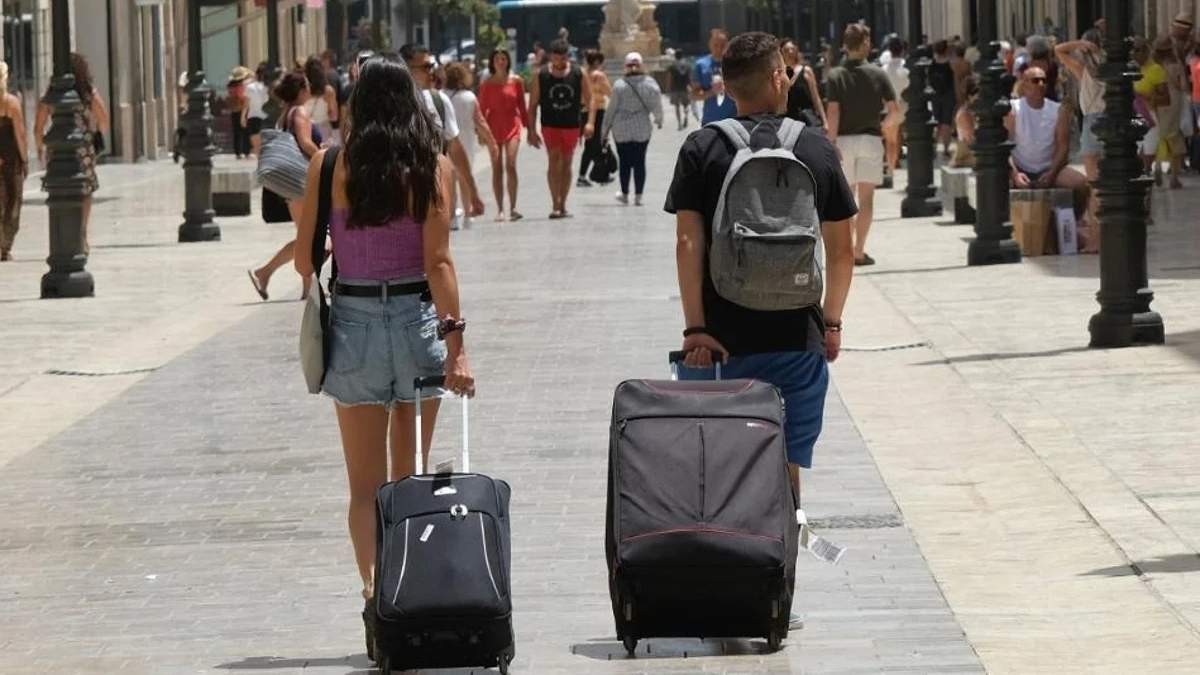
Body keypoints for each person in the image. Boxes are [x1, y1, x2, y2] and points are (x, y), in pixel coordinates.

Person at [664, 31, 856, 629]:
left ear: (725, 86)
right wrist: (830, 320)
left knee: (721, 465)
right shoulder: (817, 150)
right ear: (780, 78)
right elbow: (843, 249)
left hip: (722, 342)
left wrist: (696, 327)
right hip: (796, 338)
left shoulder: (702, 147)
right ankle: (779, 588)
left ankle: (727, 584)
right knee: (784, 470)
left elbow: (687, 242)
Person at [292, 55, 474, 663]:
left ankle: (374, 595)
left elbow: (302, 260)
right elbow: (439, 264)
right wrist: (459, 347)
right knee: (412, 476)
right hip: (418, 321)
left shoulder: (331, 164)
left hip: (355, 325)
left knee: (363, 485)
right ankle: (409, 595)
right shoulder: (431, 167)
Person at [825, 23, 901, 267]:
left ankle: (846, 250)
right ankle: (859, 250)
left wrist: (831, 142)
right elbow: (894, 111)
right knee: (866, 199)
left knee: (846, 200)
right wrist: (883, 128)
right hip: (870, 139)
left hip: (843, 141)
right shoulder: (877, 73)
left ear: (845, 45)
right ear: (865, 43)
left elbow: (833, 112)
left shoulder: (835, 75)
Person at [248, 72, 321, 300]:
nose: (310, 88)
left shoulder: (285, 113)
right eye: (307, 85)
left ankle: (305, 288)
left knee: (306, 236)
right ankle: (265, 272)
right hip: (302, 181)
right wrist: (326, 156)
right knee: (308, 237)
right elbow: (305, 143)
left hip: (294, 182)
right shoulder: (299, 111)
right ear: (301, 90)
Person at [1007, 66, 1095, 241]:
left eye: (1043, 80)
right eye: (1035, 80)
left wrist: (1052, 172)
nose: (1040, 84)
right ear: (1024, 85)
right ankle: (1009, 228)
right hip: (1020, 167)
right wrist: (1015, 174)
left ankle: (1072, 222)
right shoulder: (1013, 109)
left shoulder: (1058, 110)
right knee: (995, 183)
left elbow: (1063, 146)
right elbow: (1006, 146)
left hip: (1049, 168)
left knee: (1081, 184)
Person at [400, 44, 486, 220]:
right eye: (426, 67)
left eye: (432, 65)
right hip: (399, 200)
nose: (432, 72)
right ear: (405, 69)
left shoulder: (438, 100)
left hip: (434, 194)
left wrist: (473, 191)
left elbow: (455, 148)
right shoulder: (388, 105)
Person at [35, 52, 108, 253]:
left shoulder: (52, 95)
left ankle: (61, 234)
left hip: (57, 149)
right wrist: (95, 135)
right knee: (85, 189)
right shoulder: (87, 93)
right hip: (83, 147)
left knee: (59, 187)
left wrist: (41, 148)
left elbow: (38, 127)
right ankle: (82, 233)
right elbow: (104, 118)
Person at [527, 39, 595, 219]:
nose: (560, 61)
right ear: (551, 56)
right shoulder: (541, 74)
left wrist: (590, 123)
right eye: (557, 58)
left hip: (571, 125)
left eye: (564, 57)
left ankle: (563, 203)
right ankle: (555, 203)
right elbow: (533, 104)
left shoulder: (578, 73)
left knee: (567, 163)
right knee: (553, 160)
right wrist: (531, 130)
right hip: (550, 124)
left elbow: (590, 99)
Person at [603, 51, 663, 206]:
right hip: (642, 127)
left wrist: (604, 129)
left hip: (621, 129)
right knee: (639, 161)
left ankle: (624, 193)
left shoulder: (619, 85)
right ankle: (638, 195)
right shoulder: (650, 83)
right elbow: (657, 102)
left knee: (625, 162)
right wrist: (658, 119)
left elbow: (611, 109)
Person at [1056, 30, 1104, 219]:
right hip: (1113, 122)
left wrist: (1077, 43)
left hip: (1092, 123)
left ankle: (1094, 237)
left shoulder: (1083, 71)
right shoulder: (1112, 68)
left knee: (1094, 185)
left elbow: (1058, 50)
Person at [445, 62, 498, 230]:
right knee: (465, 179)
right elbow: (480, 122)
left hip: (446, 143)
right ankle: (468, 215)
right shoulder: (469, 97)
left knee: (450, 180)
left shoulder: (441, 96)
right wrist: (491, 142)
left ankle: (452, 217)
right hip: (466, 142)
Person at [479, 49, 529, 221]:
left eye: (504, 59)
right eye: (497, 59)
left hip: (512, 124)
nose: (501, 62)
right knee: (497, 168)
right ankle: (500, 209)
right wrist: (481, 132)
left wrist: (529, 129)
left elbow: (522, 106)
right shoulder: (486, 84)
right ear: (492, 63)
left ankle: (513, 207)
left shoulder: (517, 81)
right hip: (493, 126)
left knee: (511, 164)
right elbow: (481, 109)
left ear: (508, 61)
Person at [1132, 38, 1171, 183]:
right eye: (1132, 50)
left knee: (1148, 153)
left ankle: (1148, 175)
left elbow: (1166, 99)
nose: (1134, 54)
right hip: (1132, 116)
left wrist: (1149, 99)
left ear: (1146, 51)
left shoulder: (1156, 70)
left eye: (1138, 50)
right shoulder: (1128, 69)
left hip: (1149, 116)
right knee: (1136, 152)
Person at [0, 61, 26, 262]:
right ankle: (4, 246)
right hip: (11, 159)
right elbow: (20, 135)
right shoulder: (12, 103)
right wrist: (25, 159)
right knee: (13, 202)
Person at [1154, 39, 1188, 189]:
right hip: (1173, 102)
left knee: (1160, 135)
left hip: (1158, 102)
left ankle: (1157, 167)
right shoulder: (1176, 64)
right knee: (1174, 137)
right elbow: (1184, 86)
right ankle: (1174, 177)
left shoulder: (1154, 65)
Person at [577, 49, 612, 187]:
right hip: (597, 111)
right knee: (596, 144)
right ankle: (599, 174)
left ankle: (590, 175)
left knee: (590, 145)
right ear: (597, 61)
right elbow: (610, 93)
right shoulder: (599, 75)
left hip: (584, 112)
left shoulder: (583, 74)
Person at [879, 35, 909, 182]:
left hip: (889, 109)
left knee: (890, 141)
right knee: (896, 138)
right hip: (905, 107)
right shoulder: (907, 67)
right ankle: (893, 164)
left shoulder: (884, 70)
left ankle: (890, 168)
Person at [781, 37, 827, 128]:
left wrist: (825, 121)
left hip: (806, 119)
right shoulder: (780, 74)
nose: (790, 52)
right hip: (788, 121)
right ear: (781, 53)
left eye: (792, 49)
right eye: (786, 50)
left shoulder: (806, 71)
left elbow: (816, 97)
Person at [692, 29, 732, 122]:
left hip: (735, 121)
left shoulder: (736, 64)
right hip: (711, 121)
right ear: (710, 45)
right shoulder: (701, 65)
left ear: (728, 45)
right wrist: (712, 92)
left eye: (722, 45)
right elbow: (695, 95)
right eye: (715, 45)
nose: (719, 49)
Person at [929, 40, 957, 158]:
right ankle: (946, 148)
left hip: (936, 95)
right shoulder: (951, 64)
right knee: (946, 122)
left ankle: (933, 148)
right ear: (946, 49)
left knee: (936, 122)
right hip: (948, 94)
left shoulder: (932, 63)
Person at [304, 56, 341, 145]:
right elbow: (334, 116)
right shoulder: (328, 91)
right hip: (324, 134)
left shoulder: (303, 91)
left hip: (306, 132)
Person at [244, 63, 272, 156]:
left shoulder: (250, 87)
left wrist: (243, 116)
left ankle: (260, 165)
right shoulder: (269, 87)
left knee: (257, 147)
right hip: (267, 117)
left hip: (253, 116)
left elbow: (246, 103)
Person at [951, 75, 979, 168]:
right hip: (967, 157)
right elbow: (971, 140)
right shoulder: (965, 114)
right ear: (970, 96)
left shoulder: (975, 111)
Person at [227, 66, 251, 159]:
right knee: (245, 131)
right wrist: (244, 115)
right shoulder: (241, 86)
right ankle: (246, 151)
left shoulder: (230, 86)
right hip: (243, 110)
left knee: (236, 132)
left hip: (234, 110)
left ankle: (238, 152)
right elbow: (245, 100)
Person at [667, 49, 694, 130]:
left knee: (677, 106)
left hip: (675, 89)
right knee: (686, 105)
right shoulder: (687, 65)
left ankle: (679, 123)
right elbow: (690, 77)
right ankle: (686, 116)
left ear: (675, 56)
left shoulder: (672, 66)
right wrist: (692, 87)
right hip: (685, 88)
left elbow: (669, 78)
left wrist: (668, 88)